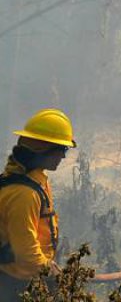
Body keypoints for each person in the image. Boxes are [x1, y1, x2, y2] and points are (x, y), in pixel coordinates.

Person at [0, 109, 75, 300]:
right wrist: (51, 273)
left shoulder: (35, 180)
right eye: (62, 150)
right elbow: (26, 253)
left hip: (29, 277)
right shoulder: (23, 194)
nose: (63, 157)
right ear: (43, 149)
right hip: (16, 285)